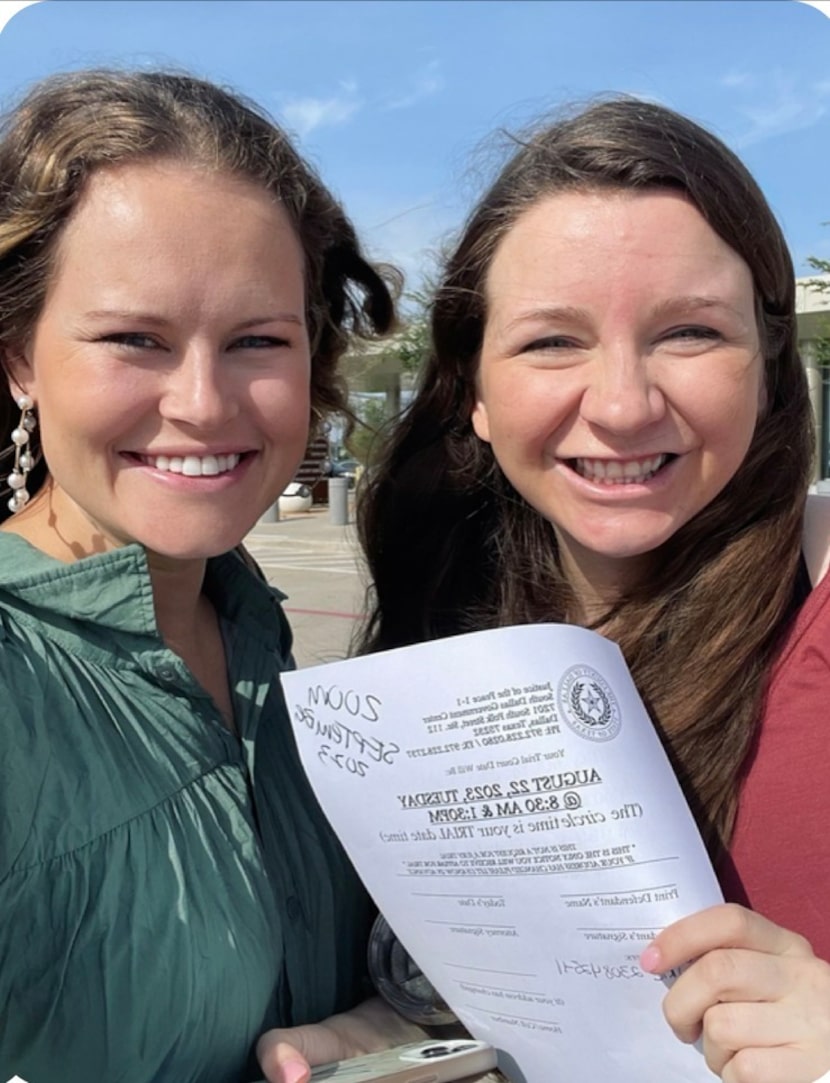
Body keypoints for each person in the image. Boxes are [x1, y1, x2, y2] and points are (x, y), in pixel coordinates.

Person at [355, 97, 830, 1083]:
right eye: (550, 342)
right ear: (473, 394)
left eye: (689, 332)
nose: (620, 405)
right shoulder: (436, 642)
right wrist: (373, 1038)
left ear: (767, 368)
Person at [0, 67, 430, 1083]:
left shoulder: (255, 631)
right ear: (18, 355)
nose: (201, 402)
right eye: (132, 340)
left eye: (255, 341)